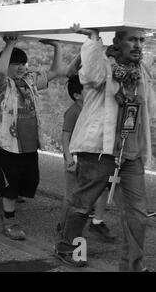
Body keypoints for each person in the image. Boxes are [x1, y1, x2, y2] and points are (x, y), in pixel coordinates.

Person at [54, 24, 156, 272]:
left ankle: (133, 266)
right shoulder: (103, 66)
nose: (138, 45)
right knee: (82, 205)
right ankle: (68, 248)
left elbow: (149, 107)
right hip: (98, 149)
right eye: (132, 40)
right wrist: (92, 39)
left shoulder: (141, 71)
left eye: (141, 41)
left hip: (130, 152)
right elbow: (89, 75)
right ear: (118, 41)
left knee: (137, 214)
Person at [0, 37, 66, 240]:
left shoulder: (30, 81)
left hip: (29, 143)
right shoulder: (2, 85)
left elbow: (56, 71)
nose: (20, 68)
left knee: (30, 182)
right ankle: (9, 220)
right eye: (15, 64)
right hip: (8, 144)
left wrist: (57, 45)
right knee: (9, 186)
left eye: (22, 64)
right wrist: (8, 45)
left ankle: (7, 200)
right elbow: (0, 71)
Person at [57, 72, 117, 244]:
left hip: (93, 160)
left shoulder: (94, 110)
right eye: (87, 89)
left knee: (100, 190)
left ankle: (95, 222)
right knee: (71, 197)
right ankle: (64, 227)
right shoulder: (73, 111)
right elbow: (65, 136)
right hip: (75, 160)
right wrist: (69, 159)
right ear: (77, 95)